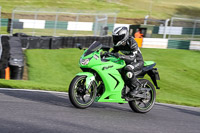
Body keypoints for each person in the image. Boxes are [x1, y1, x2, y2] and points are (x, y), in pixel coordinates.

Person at [111, 26, 144, 96]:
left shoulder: (132, 42)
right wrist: (105, 54)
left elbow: (132, 57)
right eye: (115, 37)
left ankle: (137, 87)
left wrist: (120, 56)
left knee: (128, 68)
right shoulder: (118, 44)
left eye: (118, 37)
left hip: (137, 62)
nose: (116, 39)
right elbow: (113, 52)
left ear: (124, 36)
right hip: (127, 61)